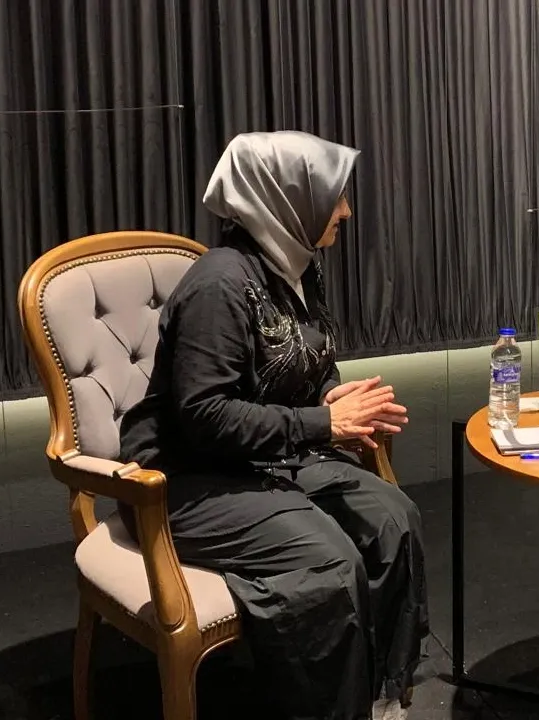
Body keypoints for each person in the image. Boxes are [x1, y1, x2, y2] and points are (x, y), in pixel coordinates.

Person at [119, 130, 428, 720]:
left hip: (266, 458)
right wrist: (323, 423)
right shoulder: (219, 284)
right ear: (287, 199)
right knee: (328, 562)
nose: (346, 211)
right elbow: (205, 418)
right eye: (335, 197)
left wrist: (331, 394)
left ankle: (382, 696)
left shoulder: (298, 269)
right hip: (184, 480)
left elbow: (307, 362)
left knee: (394, 520)